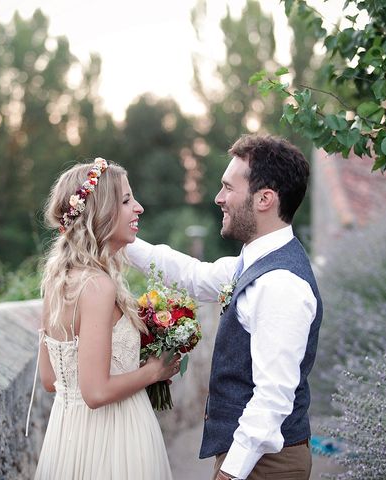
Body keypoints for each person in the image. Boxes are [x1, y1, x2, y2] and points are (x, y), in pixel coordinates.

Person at [126, 134, 322, 480]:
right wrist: (120, 241)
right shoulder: (256, 262)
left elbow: (273, 396)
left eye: (228, 188)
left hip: (267, 465)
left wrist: (229, 473)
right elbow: (192, 274)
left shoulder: (280, 284)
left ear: (264, 199)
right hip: (255, 460)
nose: (219, 198)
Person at [26, 158, 179, 479]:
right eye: (126, 201)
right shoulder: (97, 286)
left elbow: (50, 379)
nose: (138, 208)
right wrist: (154, 370)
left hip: (68, 435)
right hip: (115, 437)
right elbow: (95, 393)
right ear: (101, 211)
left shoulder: (57, 281)